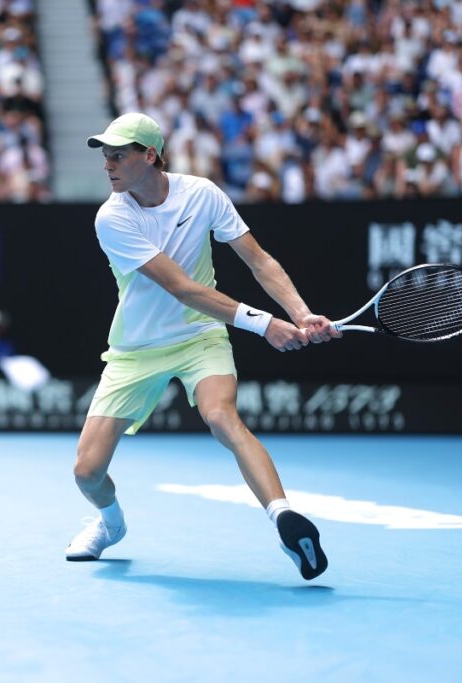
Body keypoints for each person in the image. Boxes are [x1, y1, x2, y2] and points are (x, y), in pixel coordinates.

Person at [68, 113, 338, 580]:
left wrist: (300, 312)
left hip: (200, 336)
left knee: (222, 417)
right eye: (104, 156)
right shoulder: (111, 217)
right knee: (87, 472)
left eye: (118, 154)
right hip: (137, 348)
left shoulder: (202, 194)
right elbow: (183, 288)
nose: (107, 164)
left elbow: (259, 260)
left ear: (149, 155)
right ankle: (111, 525)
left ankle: (284, 517)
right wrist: (263, 323)